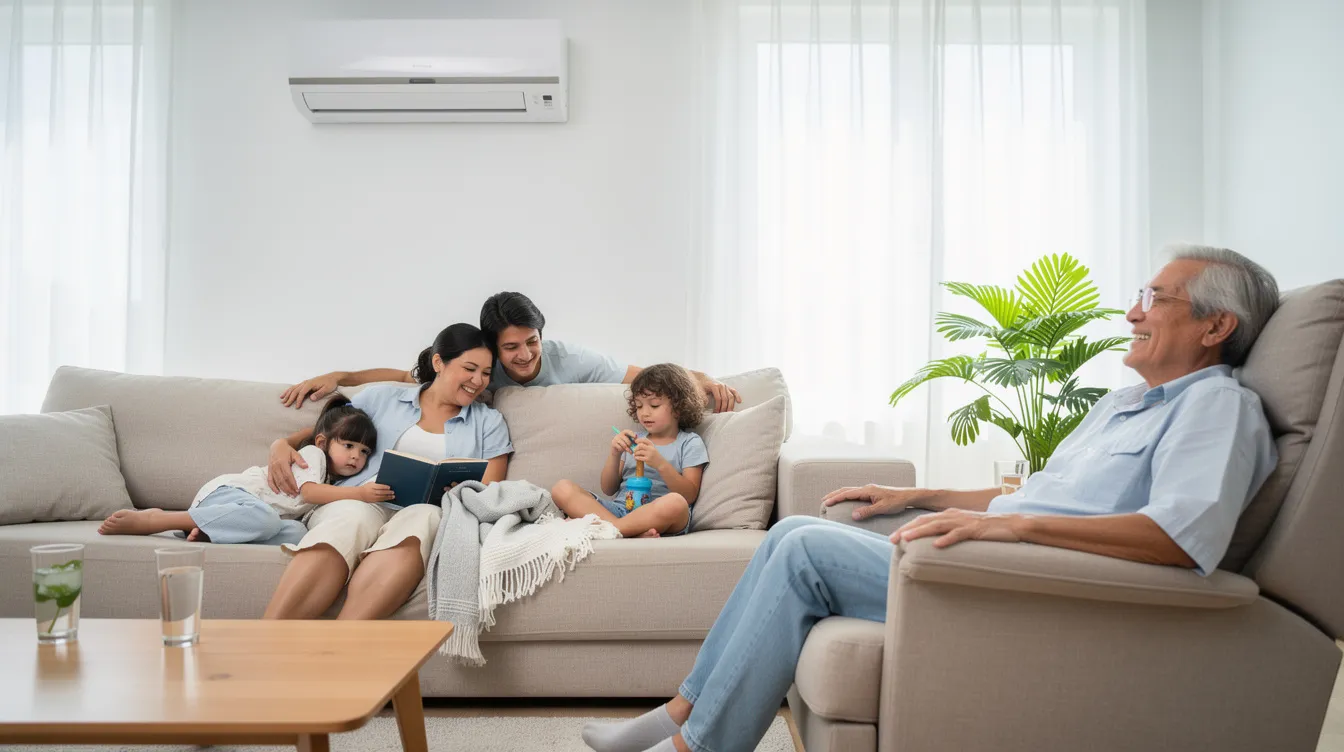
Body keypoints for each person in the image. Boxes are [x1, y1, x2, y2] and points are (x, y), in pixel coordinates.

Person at [578, 245, 1282, 752]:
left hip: (1039, 582)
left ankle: (693, 742)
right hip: (1007, 554)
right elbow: (1038, 494)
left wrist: (1015, 530)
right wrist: (921, 493)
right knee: (797, 528)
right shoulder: (1126, 405)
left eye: (1155, 299)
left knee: (803, 551)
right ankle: (680, 713)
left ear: (1216, 326)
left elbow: (1178, 539)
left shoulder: (1217, 408)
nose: (1132, 312)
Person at [262, 323, 513, 621]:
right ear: (438, 363)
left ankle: (341, 639)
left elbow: (488, 488)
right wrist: (282, 444)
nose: (478, 381)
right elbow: (328, 431)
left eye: (486, 373)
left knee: (423, 520)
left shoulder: (488, 422)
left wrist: (459, 491)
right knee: (350, 520)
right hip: (360, 498)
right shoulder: (383, 398)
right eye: (469, 369)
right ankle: (269, 635)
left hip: (425, 510)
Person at [278, 291, 743, 413]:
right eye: (511, 347)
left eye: (532, 342)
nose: (524, 355)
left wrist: (702, 378)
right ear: (493, 348)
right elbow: (405, 378)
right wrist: (340, 377)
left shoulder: (571, 359)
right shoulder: (478, 367)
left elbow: (647, 376)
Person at [97, 396, 380, 545]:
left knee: (297, 534)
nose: (356, 456)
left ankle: (210, 531)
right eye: (348, 446)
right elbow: (310, 493)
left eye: (365, 452)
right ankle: (159, 520)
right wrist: (361, 494)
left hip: (248, 515)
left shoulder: (330, 477)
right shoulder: (313, 456)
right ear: (323, 442)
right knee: (266, 519)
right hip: (231, 496)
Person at [552, 364, 710, 538]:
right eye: (639, 406)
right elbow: (608, 489)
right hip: (620, 510)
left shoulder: (689, 442)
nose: (645, 413)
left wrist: (660, 464)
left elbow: (689, 495)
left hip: (656, 514)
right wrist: (615, 454)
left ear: (679, 407)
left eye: (654, 405)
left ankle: (608, 528)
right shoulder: (633, 440)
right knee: (562, 488)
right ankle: (625, 531)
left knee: (676, 503)